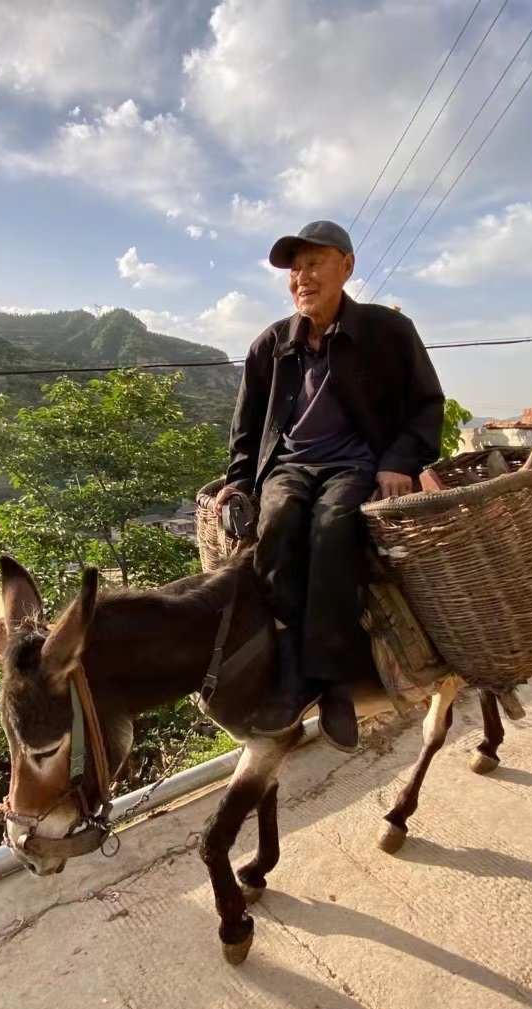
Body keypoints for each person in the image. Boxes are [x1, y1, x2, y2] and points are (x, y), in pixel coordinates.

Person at [215, 220, 445, 750]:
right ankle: (296, 663)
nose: (303, 277)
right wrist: (239, 481)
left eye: (314, 263)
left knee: (335, 526)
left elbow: (425, 406)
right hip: (289, 466)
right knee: (278, 522)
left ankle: (334, 681)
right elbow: (246, 429)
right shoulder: (271, 345)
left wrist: (400, 461)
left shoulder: (388, 333)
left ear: (346, 266)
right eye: (295, 269)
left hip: (355, 464)